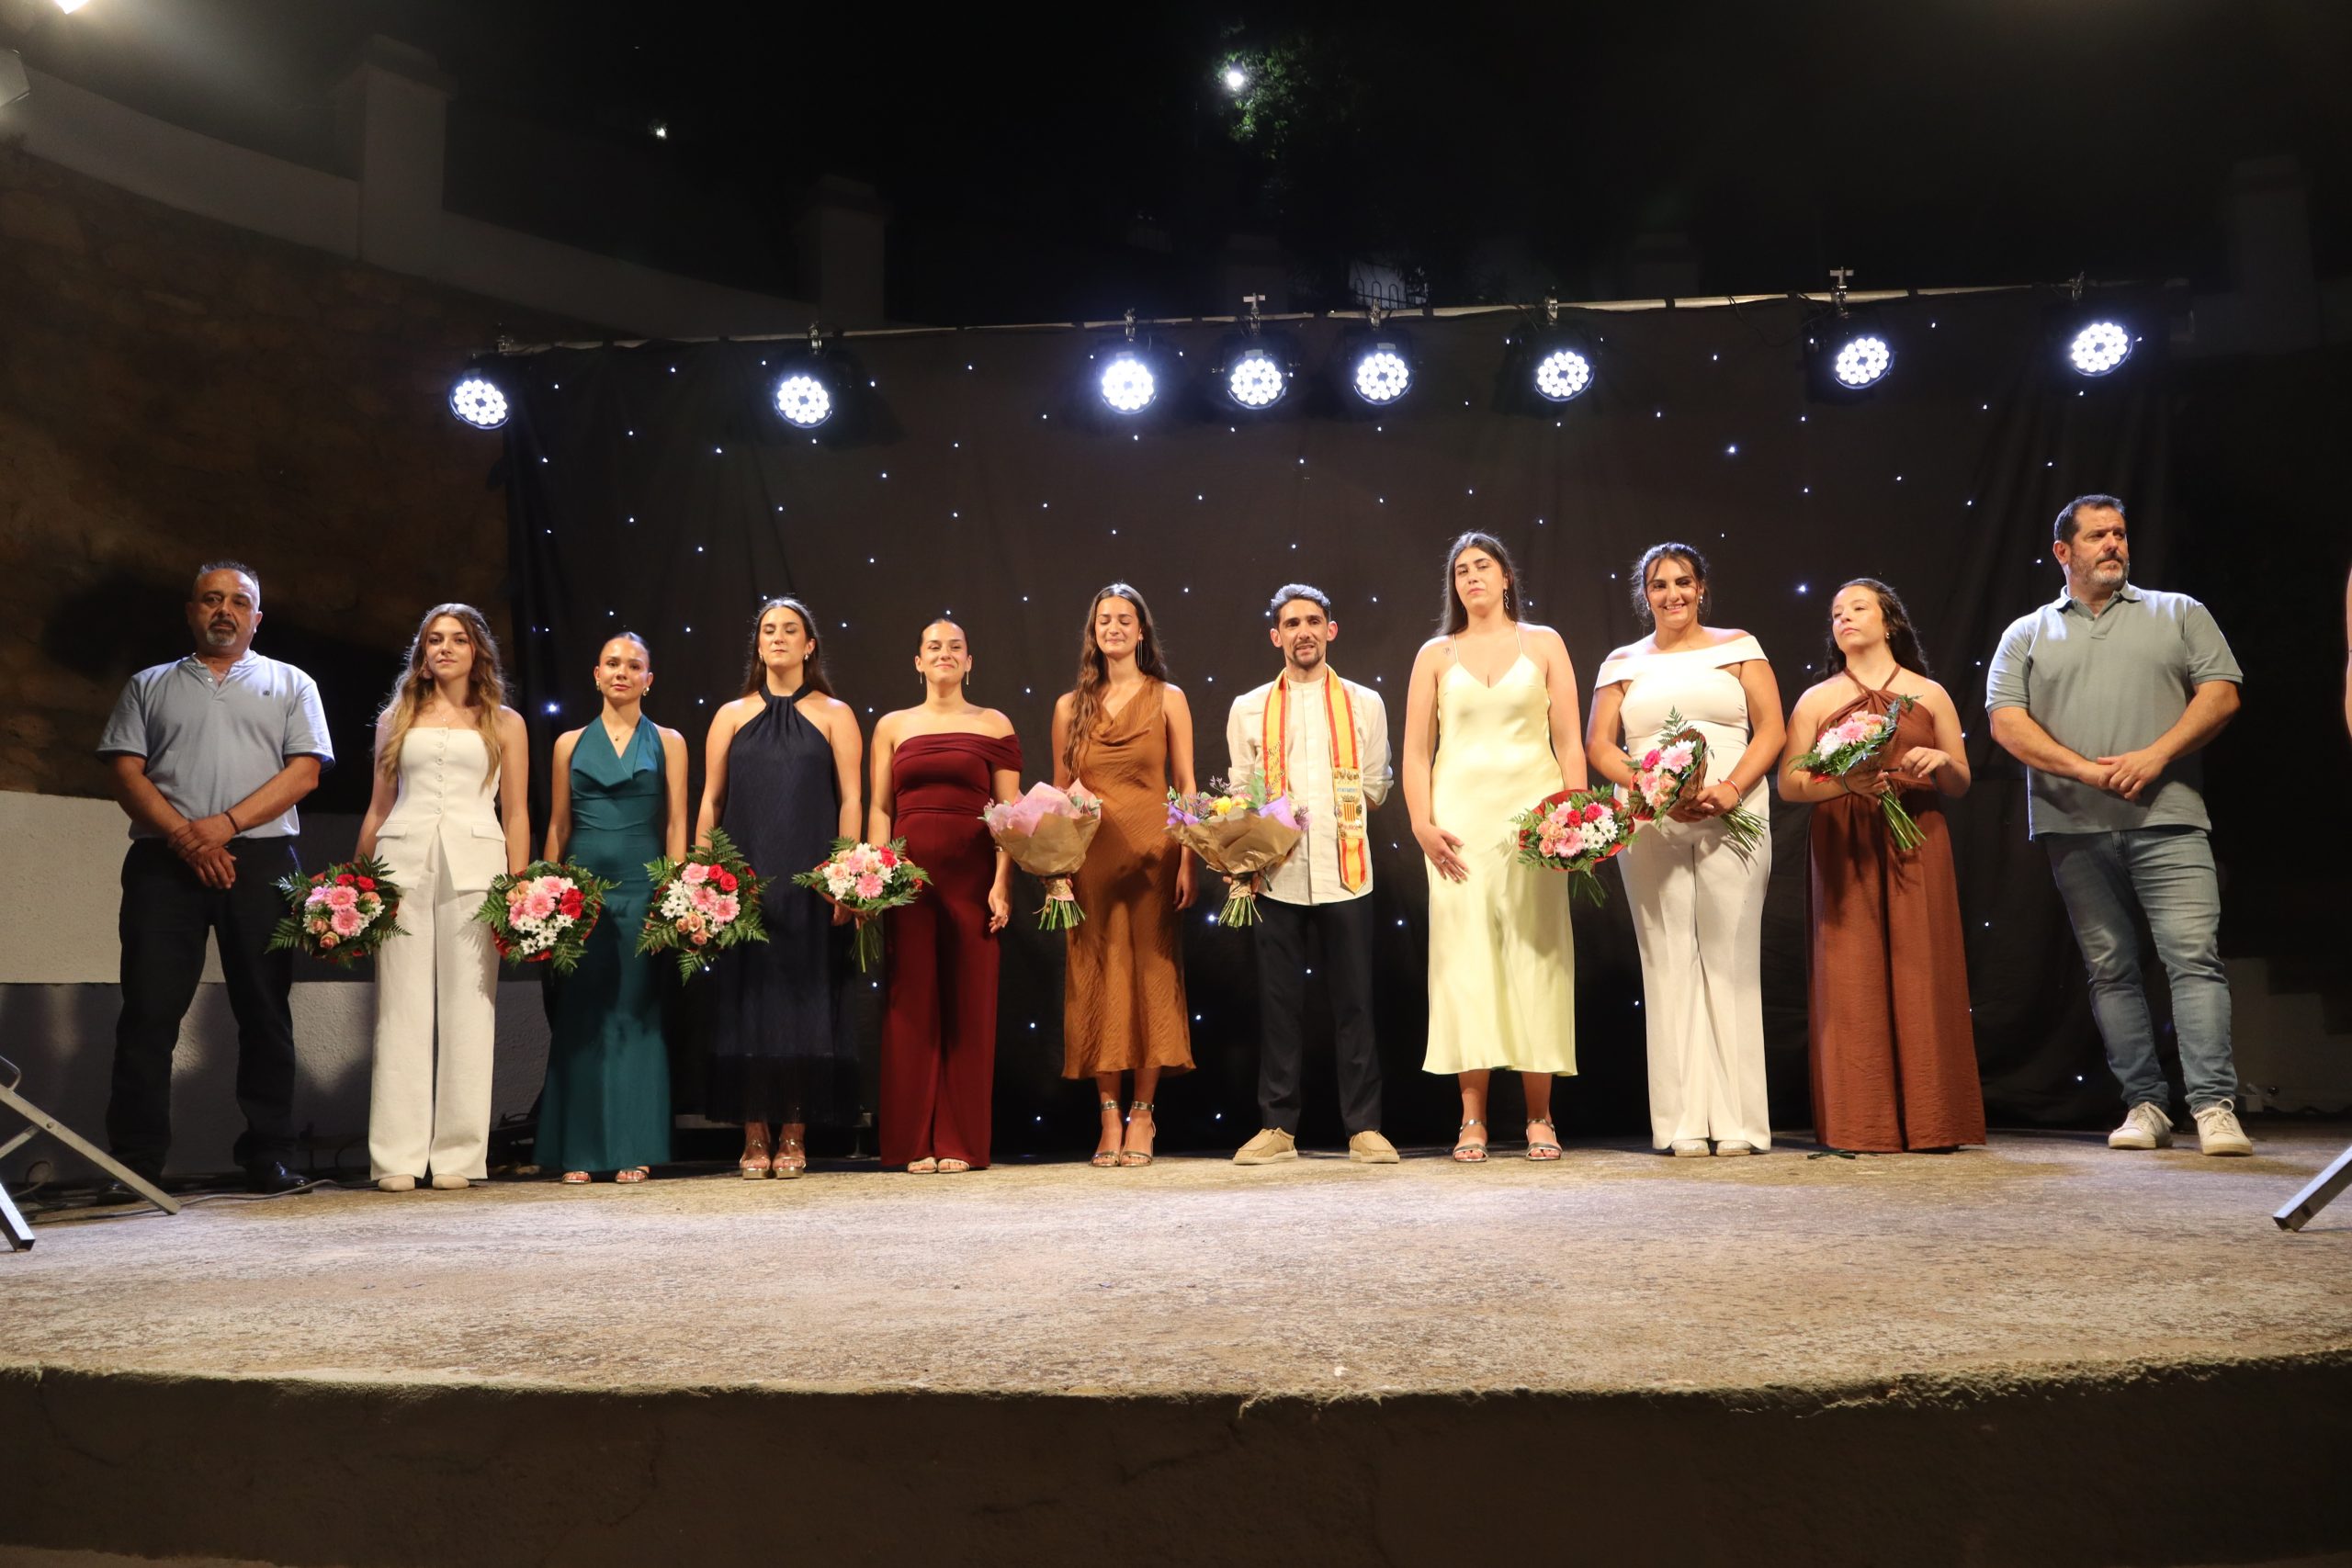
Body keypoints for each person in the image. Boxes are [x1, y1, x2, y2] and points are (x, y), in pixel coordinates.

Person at [1986, 495, 2249, 1156]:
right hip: (2074, 826)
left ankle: (2213, 1106)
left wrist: (2155, 755)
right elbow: (2006, 722)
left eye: (2120, 533)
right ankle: (2145, 1104)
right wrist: (2085, 770)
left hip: (2170, 820)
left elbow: (2221, 693)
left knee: (2193, 959)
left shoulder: (2178, 611)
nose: (2114, 544)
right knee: (2111, 970)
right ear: (2063, 551)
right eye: (2098, 535)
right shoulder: (2027, 632)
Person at [96, 561, 333, 1194]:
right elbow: (124, 771)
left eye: (238, 601)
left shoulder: (292, 683)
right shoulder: (148, 684)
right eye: (211, 599)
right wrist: (185, 836)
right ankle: (135, 1163)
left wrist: (222, 826)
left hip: (260, 859)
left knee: (265, 1011)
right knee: (147, 1013)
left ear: (258, 617)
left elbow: (305, 771)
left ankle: (269, 1155)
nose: (224, 610)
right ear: (191, 610)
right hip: (163, 864)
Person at [1589, 543, 1784, 1156]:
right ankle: (1680, 1123)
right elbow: (1600, 745)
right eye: (1659, 584)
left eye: (1682, 581)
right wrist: (1654, 789)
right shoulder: (1621, 662)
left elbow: (1772, 728)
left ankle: (1740, 1122)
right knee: (1668, 959)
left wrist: (1731, 788)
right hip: (1652, 819)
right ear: (1644, 595)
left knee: (1730, 958)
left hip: (1735, 810)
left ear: (1701, 588)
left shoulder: (1739, 647)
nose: (1671, 593)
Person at [1778, 580, 1985, 1153]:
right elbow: (1790, 784)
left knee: (1923, 968)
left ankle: (1933, 1119)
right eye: (1836, 613)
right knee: (1851, 974)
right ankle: (1862, 1121)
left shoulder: (1930, 693)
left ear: (1889, 621)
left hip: (1916, 833)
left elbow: (1961, 781)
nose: (1844, 618)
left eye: (1858, 608)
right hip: (1843, 839)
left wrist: (1941, 760)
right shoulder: (1816, 700)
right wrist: (1845, 783)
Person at [1401, 533, 1588, 1162]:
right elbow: (1417, 751)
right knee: (1466, 961)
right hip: (1457, 829)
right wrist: (1421, 824)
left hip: (1536, 825)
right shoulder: (1435, 654)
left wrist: (1574, 818)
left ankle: (1539, 1115)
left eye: (1483, 566)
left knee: (1537, 954)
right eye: (1461, 570)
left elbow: (1569, 740)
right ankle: (1472, 1119)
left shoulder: (1545, 643)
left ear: (1507, 577)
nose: (1472, 577)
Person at [355, 604, 529, 1192]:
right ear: (423, 652)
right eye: (435, 639)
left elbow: (517, 811)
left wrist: (519, 884)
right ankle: (397, 1156)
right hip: (401, 865)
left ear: (477, 651)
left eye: (457, 639)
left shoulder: (505, 722)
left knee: (470, 1008)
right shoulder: (395, 717)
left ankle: (458, 1154)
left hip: (477, 868)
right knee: (400, 1008)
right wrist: (356, 882)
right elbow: (378, 807)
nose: (445, 648)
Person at [1225, 585, 1399, 1166]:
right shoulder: (1249, 707)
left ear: (1331, 630)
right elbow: (1242, 792)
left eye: (1313, 621)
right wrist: (1248, 853)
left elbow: (1375, 787)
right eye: (1292, 623)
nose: (1304, 631)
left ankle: (1364, 1128)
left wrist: (1331, 814)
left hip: (1346, 871)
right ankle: (1277, 1126)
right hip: (1275, 875)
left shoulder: (1364, 703)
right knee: (1278, 1005)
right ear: (1276, 636)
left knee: (1355, 1003)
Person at [695, 598, 864, 1179]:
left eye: (791, 630)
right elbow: (711, 801)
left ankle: (794, 1129)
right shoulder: (730, 714)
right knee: (748, 1000)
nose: (778, 638)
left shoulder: (836, 714)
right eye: (769, 629)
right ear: (759, 643)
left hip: (810, 880)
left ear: (809, 645)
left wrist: (846, 878)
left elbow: (852, 798)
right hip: (744, 880)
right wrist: (702, 880)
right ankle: (754, 1132)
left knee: (805, 999)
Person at [1053, 584, 1198, 1168]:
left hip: (1154, 859)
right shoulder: (1069, 707)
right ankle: (1108, 1115)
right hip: (1091, 863)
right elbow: (1060, 795)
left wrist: (1189, 857)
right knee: (1096, 977)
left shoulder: (1169, 698)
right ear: (1093, 632)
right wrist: (1056, 868)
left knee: (1151, 978)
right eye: (1103, 620)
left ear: (1141, 631)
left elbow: (1186, 785)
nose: (1112, 627)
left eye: (1124, 619)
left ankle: (1143, 1114)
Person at [871, 620, 1021, 1173]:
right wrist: (877, 877)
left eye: (955, 647)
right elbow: (880, 807)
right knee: (910, 1005)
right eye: (933, 647)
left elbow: (1010, 815)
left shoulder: (994, 723)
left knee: (970, 1007)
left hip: (972, 878)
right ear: (918, 661)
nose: (944, 654)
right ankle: (912, 1141)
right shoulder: (892, 725)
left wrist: (1002, 881)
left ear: (969, 661)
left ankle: (959, 1140)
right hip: (907, 881)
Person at [539, 634, 688, 1184]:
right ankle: (578, 1150)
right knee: (583, 1014)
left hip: (643, 889)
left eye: (634, 665)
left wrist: (675, 895)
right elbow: (559, 824)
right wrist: (546, 894)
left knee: (636, 1012)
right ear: (596, 674)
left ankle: (635, 1146)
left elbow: (677, 822)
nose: (621, 672)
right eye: (612, 663)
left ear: (649, 679)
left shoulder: (669, 741)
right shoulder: (568, 743)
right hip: (581, 895)